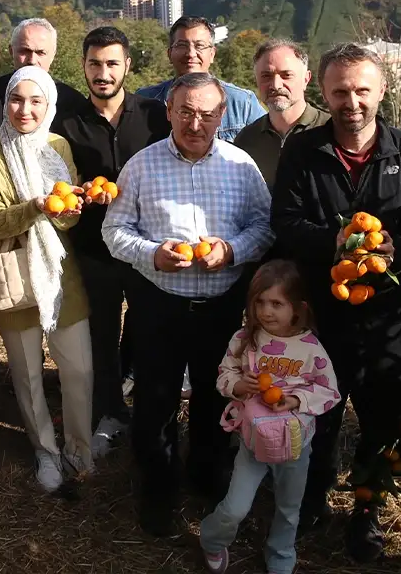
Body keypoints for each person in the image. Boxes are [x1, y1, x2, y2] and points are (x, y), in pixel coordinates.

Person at [270, 43, 401, 562]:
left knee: (382, 421)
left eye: (362, 89)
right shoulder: (304, 152)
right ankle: (312, 500)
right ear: (324, 92)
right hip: (321, 315)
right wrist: (334, 243)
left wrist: (398, 247)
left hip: (389, 319)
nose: (352, 101)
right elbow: (286, 223)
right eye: (340, 90)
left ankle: (366, 512)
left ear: (381, 91)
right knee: (315, 415)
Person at [102, 71, 274, 536]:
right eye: (185, 112)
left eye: (206, 113)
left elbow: (264, 226)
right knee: (155, 400)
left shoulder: (241, 166)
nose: (195, 123)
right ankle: (157, 490)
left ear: (221, 115)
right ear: (169, 112)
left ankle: (206, 477)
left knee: (214, 394)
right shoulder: (141, 165)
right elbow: (114, 231)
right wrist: (151, 254)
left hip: (220, 306)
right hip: (161, 304)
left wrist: (232, 250)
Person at [0, 65, 94, 491]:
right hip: (13, 274)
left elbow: (70, 221)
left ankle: (78, 447)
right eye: (16, 100)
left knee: (79, 369)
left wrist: (69, 209)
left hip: (58, 272)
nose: (25, 109)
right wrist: (37, 206)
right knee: (27, 374)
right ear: (5, 103)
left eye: (35, 100)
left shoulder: (57, 146)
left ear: (49, 105)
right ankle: (46, 451)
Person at [52, 26, 170, 459]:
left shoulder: (155, 115)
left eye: (112, 63)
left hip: (144, 247)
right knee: (101, 333)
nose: (103, 73)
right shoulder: (65, 125)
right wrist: (80, 196)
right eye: (95, 64)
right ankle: (110, 412)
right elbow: (60, 185)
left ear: (128, 66)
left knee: (147, 328)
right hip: (93, 249)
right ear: (83, 66)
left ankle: (152, 413)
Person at [200, 260, 342, 574]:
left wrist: (296, 399)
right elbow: (225, 373)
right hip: (253, 442)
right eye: (260, 303)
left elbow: (330, 391)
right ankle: (212, 538)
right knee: (236, 506)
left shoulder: (310, 349)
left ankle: (280, 553)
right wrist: (237, 385)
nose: (266, 312)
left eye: (276, 303)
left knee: (289, 508)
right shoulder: (245, 340)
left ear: (298, 308)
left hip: (295, 444)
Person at [135, 16, 265, 142]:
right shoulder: (145, 101)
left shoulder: (242, 103)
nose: (191, 54)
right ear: (169, 54)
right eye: (182, 45)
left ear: (212, 54)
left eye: (199, 46)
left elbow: (269, 145)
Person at [234, 39, 329, 189]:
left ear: (306, 79)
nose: (276, 85)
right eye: (266, 76)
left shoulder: (332, 131)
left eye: (286, 75)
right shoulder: (246, 140)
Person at [0, 18, 87, 139]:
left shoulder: (72, 102)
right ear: (11, 51)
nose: (32, 60)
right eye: (24, 51)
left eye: (40, 53)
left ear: (53, 54)